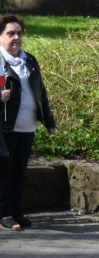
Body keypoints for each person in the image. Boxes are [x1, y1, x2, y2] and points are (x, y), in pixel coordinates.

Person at [0, 15, 56, 231]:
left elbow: (41, 93)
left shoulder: (29, 60)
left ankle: (17, 212)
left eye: (19, 33)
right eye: (10, 33)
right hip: (6, 126)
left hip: (27, 126)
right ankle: (5, 213)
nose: (16, 38)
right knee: (4, 172)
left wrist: (49, 120)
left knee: (19, 172)